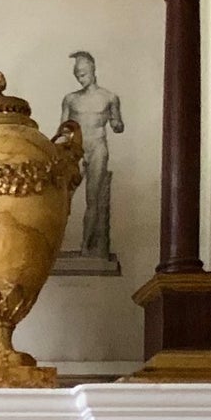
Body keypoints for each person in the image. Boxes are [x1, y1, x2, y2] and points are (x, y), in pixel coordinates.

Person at [61, 51, 124, 263]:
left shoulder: (109, 97)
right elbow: (64, 128)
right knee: (63, 196)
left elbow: (117, 123)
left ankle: (87, 247)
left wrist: (116, 124)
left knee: (93, 198)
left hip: (97, 147)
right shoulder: (70, 99)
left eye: (83, 73)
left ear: (92, 69)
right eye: (77, 75)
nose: (80, 78)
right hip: (76, 149)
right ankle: (56, 244)